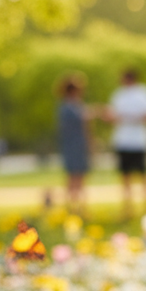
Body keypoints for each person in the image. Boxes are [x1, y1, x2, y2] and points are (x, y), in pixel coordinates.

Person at [105, 68, 146, 218]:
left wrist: (131, 117)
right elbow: (112, 116)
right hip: (123, 141)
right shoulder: (119, 95)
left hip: (140, 141)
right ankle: (128, 208)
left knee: (144, 175)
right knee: (125, 176)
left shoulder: (144, 93)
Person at [56, 74, 91, 215]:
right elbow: (83, 120)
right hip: (74, 146)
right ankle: (74, 208)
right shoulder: (68, 107)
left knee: (77, 177)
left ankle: (77, 207)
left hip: (76, 145)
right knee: (74, 178)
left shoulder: (72, 106)